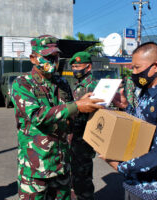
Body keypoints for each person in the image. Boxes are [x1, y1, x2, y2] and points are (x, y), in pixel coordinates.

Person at [11, 35, 104, 200]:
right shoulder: (23, 84)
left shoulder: (61, 82)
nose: (53, 61)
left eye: (55, 56)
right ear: (33, 58)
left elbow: (69, 115)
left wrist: (88, 106)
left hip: (61, 165)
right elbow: (37, 116)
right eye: (48, 57)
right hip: (36, 167)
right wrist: (77, 106)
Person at [100, 42, 157, 200]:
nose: (133, 73)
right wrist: (125, 107)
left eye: (137, 68)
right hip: (134, 183)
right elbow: (141, 126)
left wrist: (120, 167)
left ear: (155, 66)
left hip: (155, 191)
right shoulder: (147, 93)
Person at [69, 51, 97, 200]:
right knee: (76, 177)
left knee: (82, 178)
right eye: (73, 66)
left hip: (84, 139)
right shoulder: (79, 84)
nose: (75, 69)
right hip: (75, 138)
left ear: (88, 67)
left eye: (78, 66)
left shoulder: (92, 86)